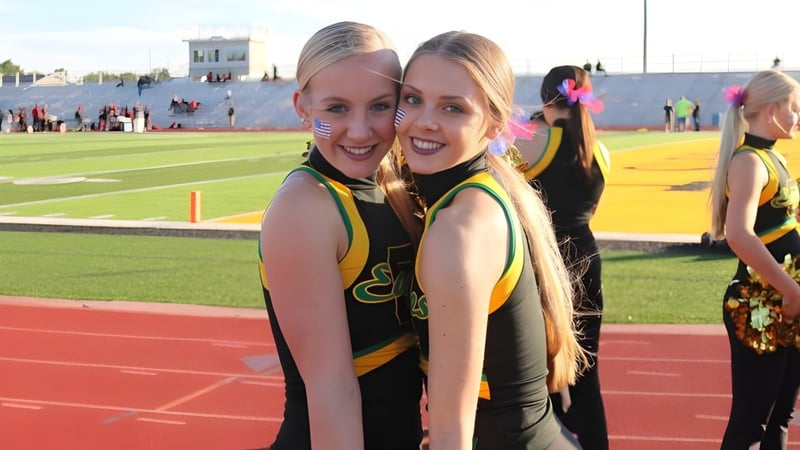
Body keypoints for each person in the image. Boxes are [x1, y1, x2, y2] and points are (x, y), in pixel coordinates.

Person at [396, 30, 585, 449]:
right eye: (411, 99)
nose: (424, 120)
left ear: (495, 122)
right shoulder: (478, 192)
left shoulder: (460, 226)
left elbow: (451, 434)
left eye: (452, 107)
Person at [258, 21, 423, 450]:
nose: (361, 130)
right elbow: (332, 392)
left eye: (380, 106)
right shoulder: (304, 208)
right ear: (303, 106)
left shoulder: (394, 186)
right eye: (336, 109)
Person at [514, 65, 610, 449]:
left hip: (542, 264)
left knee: (537, 372)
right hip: (587, 262)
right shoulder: (599, 151)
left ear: (544, 97)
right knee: (586, 373)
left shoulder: (531, 143)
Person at [708, 69, 800, 449]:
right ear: (773, 109)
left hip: (786, 302)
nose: (798, 116)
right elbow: (739, 235)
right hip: (759, 305)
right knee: (750, 423)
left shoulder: (772, 157)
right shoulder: (749, 161)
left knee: (779, 418)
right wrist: (790, 289)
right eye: (794, 108)